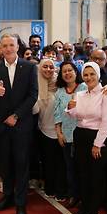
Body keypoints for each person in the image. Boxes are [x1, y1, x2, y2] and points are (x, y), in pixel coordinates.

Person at [0, 34, 38, 214]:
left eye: (11, 45)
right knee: (6, 165)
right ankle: (7, 197)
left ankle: (21, 203)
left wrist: (16, 116)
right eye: (4, 45)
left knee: (21, 165)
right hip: (2, 126)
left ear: (18, 47)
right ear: (0, 48)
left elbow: (33, 95)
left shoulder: (30, 67)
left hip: (21, 124)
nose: (8, 48)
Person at [67, 61, 107, 214]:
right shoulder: (80, 94)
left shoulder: (106, 93)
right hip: (81, 136)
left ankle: (93, 210)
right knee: (83, 174)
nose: (88, 78)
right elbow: (75, 115)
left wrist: (97, 144)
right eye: (85, 75)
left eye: (92, 74)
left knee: (96, 176)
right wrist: (70, 108)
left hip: (98, 138)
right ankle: (85, 207)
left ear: (98, 74)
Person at [53, 61, 86, 208]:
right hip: (66, 135)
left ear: (75, 72)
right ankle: (73, 194)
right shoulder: (60, 91)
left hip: (83, 134)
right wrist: (59, 133)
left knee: (83, 167)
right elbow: (57, 114)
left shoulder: (85, 88)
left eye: (70, 70)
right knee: (70, 167)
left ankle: (84, 195)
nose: (67, 73)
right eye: (64, 71)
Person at [34, 58, 66, 201]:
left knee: (61, 163)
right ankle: (50, 188)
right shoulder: (35, 85)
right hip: (43, 130)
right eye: (45, 67)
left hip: (61, 131)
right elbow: (34, 110)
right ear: (40, 68)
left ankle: (61, 190)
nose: (48, 69)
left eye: (51, 67)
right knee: (48, 163)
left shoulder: (61, 85)